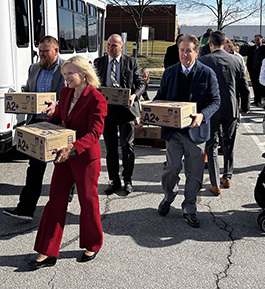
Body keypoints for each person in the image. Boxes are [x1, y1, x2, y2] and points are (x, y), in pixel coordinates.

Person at [29, 56, 107, 269]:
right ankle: (47, 250)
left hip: (85, 158)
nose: (66, 79)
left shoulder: (97, 99)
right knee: (55, 201)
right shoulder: (65, 93)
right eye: (64, 75)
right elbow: (58, 120)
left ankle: (93, 243)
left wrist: (72, 148)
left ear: (83, 74)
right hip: (63, 157)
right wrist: (39, 128)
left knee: (88, 202)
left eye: (69, 74)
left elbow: (94, 133)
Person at [155, 34, 220, 228]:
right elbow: (160, 98)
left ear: (196, 51)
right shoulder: (170, 73)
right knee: (172, 168)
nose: (184, 54)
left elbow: (216, 101)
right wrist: (149, 113)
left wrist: (202, 115)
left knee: (194, 173)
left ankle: (189, 206)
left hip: (196, 133)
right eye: (181, 50)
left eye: (188, 50)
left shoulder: (207, 73)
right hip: (173, 133)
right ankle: (168, 196)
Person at [4, 36, 65, 221]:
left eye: (45, 52)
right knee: (34, 169)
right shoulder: (33, 68)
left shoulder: (66, 69)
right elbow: (30, 91)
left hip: (58, 125)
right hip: (36, 124)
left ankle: (62, 204)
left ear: (56, 51)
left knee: (62, 167)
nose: (42, 55)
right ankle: (26, 209)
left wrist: (58, 104)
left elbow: (74, 96)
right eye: (39, 52)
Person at [199, 31, 250, 194]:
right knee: (229, 144)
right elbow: (244, 85)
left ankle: (214, 182)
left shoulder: (203, 61)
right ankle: (227, 176)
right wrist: (245, 106)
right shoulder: (236, 60)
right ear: (224, 43)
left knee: (211, 145)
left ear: (210, 44)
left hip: (211, 109)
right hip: (231, 107)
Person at [94, 34, 145, 195]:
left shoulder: (131, 62)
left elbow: (141, 83)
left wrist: (134, 96)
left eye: (114, 45)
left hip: (126, 111)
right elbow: (93, 83)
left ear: (122, 47)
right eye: (108, 45)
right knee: (110, 149)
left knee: (127, 147)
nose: (110, 48)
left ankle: (127, 180)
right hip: (107, 111)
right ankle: (114, 180)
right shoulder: (99, 62)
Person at [246, 34, 265, 106]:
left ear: (261, 40)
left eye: (258, 40)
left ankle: (263, 99)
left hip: (261, 70)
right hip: (253, 70)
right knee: (255, 86)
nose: (256, 41)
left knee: (261, 86)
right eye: (255, 40)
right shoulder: (251, 49)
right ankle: (256, 100)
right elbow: (249, 60)